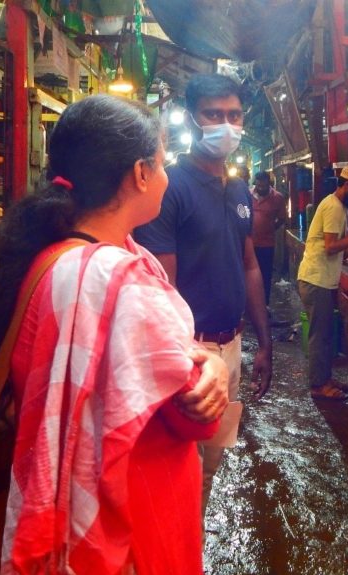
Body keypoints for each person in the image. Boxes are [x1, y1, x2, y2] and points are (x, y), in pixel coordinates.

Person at [0, 95, 230, 575]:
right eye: (161, 164)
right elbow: (198, 418)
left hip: (76, 506)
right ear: (140, 175)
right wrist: (212, 368)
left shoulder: (51, 260)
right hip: (130, 522)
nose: (165, 177)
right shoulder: (122, 282)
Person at [135, 73, 274, 513]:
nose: (225, 124)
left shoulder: (238, 190)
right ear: (192, 119)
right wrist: (185, 358)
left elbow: (249, 265)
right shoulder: (169, 188)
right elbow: (163, 287)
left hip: (230, 347)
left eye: (233, 115)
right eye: (214, 114)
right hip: (189, 354)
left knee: (208, 470)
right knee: (178, 473)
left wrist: (264, 342)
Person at [297, 164, 348, 400]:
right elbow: (331, 247)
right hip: (316, 279)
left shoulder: (337, 207)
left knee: (326, 333)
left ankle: (325, 378)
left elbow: (345, 246)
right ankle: (318, 385)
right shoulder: (334, 208)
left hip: (322, 280)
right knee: (320, 334)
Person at [251, 171, 287, 306]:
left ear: (268, 183)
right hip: (249, 244)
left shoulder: (277, 198)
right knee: (248, 276)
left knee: (265, 276)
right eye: (258, 185)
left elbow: (282, 218)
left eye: (263, 186)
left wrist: (270, 228)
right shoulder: (249, 195)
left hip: (267, 245)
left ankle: (264, 305)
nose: (260, 188)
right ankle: (249, 307)